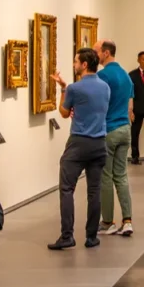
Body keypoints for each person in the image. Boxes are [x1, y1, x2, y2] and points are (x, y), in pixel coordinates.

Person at [49, 48, 110, 250]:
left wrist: (63, 89)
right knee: (94, 191)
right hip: (99, 143)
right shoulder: (105, 87)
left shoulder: (75, 88)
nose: (74, 64)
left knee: (67, 188)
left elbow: (64, 112)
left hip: (78, 143)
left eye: (76, 61)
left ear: (84, 65)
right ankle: (91, 236)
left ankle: (67, 236)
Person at [94, 40, 134, 237]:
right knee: (122, 175)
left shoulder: (102, 75)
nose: (95, 55)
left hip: (109, 129)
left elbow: (98, 103)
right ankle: (127, 220)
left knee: (106, 177)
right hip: (125, 128)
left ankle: (108, 221)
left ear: (106, 53)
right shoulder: (126, 76)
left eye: (97, 51)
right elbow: (130, 106)